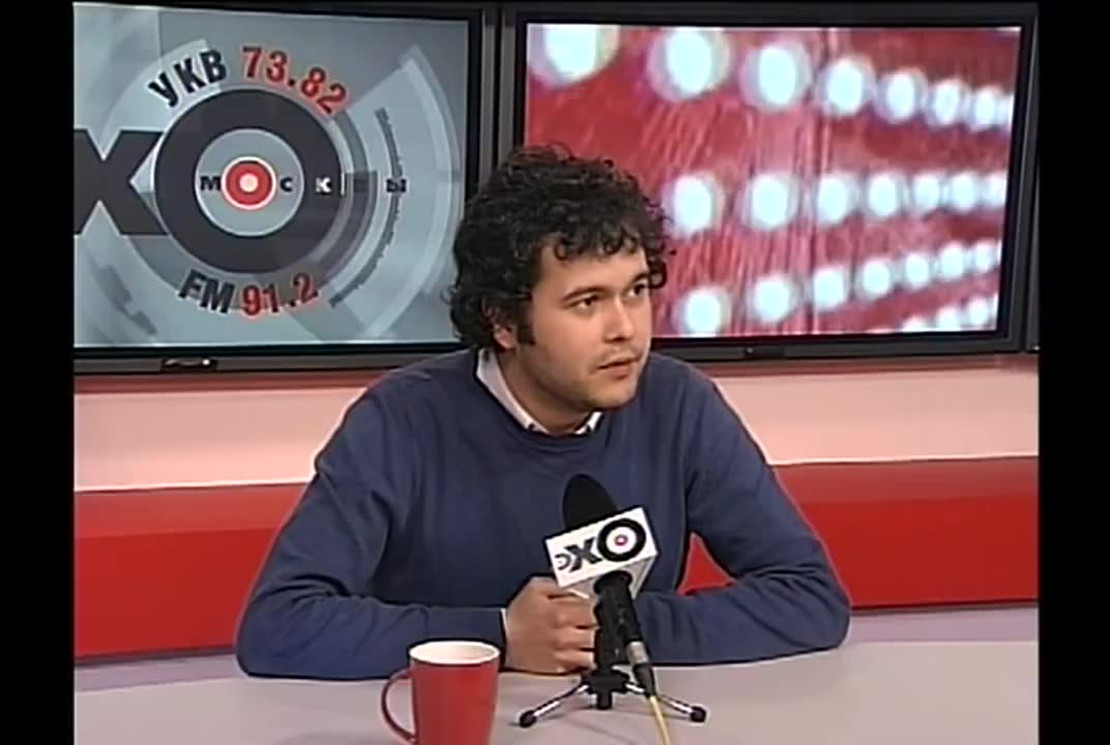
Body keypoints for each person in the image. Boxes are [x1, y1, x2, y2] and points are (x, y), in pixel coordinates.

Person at [234, 145, 851, 681]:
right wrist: (499, 636)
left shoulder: (678, 405)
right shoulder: (400, 421)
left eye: (636, 291)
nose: (625, 329)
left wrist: (614, 630)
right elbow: (280, 626)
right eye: (587, 303)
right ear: (505, 322)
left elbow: (810, 596)